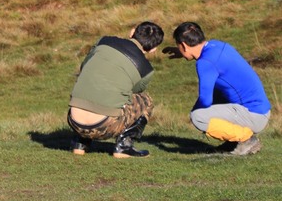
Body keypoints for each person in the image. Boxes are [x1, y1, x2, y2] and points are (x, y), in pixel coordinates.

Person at [67, 21, 164, 158]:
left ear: (132, 32)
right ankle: (124, 146)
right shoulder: (146, 69)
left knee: (89, 84)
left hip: (74, 121)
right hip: (105, 127)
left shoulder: (104, 41)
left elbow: (85, 65)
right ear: (153, 49)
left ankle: (80, 143)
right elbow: (134, 91)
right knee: (145, 100)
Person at [172, 22, 270, 156]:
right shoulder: (217, 45)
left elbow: (205, 100)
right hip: (261, 110)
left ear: (183, 45)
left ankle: (246, 139)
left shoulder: (205, 63)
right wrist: (183, 52)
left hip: (253, 116)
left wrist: (196, 110)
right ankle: (232, 142)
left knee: (198, 117)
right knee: (217, 92)